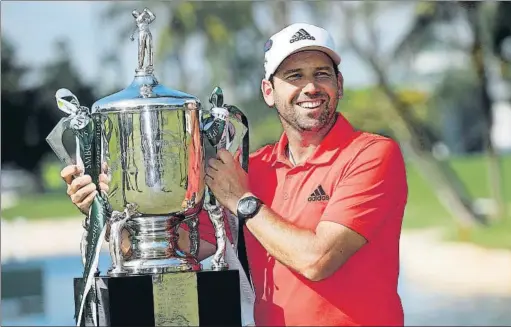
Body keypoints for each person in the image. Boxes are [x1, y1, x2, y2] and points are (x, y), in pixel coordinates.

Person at [62, 22, 408, 326]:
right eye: (294, 76)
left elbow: (318, 259)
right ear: (268, 92)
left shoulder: (371, 154)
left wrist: (243, 201)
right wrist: (103, 214)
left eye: (322, 73)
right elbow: (188, 248)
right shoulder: (251, 168)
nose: (311, 87)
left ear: (339, 84)